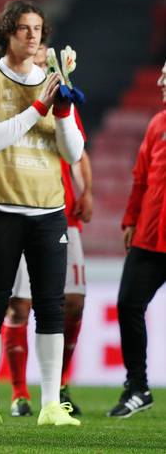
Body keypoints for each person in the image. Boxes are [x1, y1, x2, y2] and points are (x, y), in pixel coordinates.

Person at [0, 0, 84, 426]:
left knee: (50, 307)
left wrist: (64, 114)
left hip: (49, 210)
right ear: (6, 34)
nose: (33, 36)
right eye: (24, 29)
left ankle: (51, 404)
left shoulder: (55, 82)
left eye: (37, 29)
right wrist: (38, 109)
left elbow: (73, 153)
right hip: (0, 209)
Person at [3, 42, 93, 418]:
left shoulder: (62, 97)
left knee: (73, 301)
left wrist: (86, 190)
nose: (42, 57)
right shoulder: (13, 97)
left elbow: (78, 150)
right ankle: (20, 392)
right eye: (37, 53)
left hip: (63, 214)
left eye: (44, 52)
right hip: (26, 208)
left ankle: (63, 380)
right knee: (20, 305)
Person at [108, 61, 166, 418]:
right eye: (161, 74)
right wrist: (130, 219)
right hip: (149, 235)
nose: (160, 81)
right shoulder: (157, 124)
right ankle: (137, 387)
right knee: (129, 305)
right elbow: (141, 177)